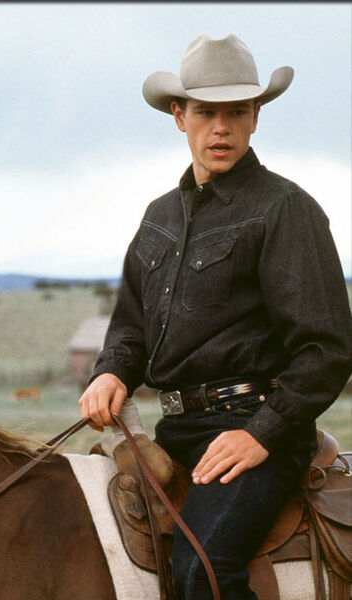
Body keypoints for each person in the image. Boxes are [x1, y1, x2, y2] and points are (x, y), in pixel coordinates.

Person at [78, 34, 352, 599]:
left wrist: (260, 435)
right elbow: (129, 327)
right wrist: (111, 372)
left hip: (258, 428)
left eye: (237, 112)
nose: (221, 128)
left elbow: (326, 351)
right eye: (206, 113)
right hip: (175, 430)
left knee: (200, 569)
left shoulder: (285, 210)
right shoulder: (158, 218)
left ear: (256, 117)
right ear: (180, 116)